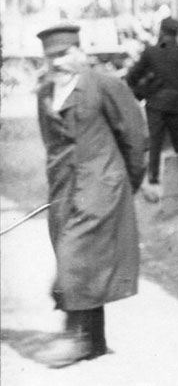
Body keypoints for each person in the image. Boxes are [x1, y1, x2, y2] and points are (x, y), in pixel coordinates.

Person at [33, 22, 147, 368]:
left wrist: (127, 182)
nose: (59, 62)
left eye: (65, 53)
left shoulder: (103, 85)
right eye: (52, 56)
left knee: (76, 254)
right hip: (65, 188)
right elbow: (51, 144)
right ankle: (95, 340)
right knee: (80, 255)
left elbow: (134, 135)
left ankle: (76, 338)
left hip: (102, 184)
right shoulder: (44, 93)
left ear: (80, 52)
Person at [125, 16, 178, 184]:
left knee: (156, 140)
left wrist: (141, 90)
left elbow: (132, 76)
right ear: (177, 33)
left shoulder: (151, 52)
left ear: (161, 31)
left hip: (155, 103)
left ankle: (153, 175)